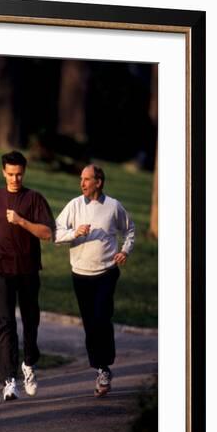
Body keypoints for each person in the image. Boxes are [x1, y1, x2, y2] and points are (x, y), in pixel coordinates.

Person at [54, 164, 135, 397]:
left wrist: (125, 251)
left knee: (101, 317)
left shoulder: (113, 207)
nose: (82, 183)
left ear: (98, 182)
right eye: (81, 179)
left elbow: (129, 231)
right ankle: (101, 368)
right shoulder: (74, 205)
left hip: (107, 272)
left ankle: (105, 366)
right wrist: (74, 233)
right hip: (80, 274)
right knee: (90, 323)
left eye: (86, 179)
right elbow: (55, 234)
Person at [0, 151, 55, 401]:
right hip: (1, 268)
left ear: (25, 171)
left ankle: (29, 364)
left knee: (30, 321)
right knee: (5, 324)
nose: (15, 178)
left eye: (19, 173)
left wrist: (21, 221)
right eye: (11, 174)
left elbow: (47, 233)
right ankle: (9, 381)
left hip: (28, 270)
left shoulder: (34, 199)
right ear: (3, 172)